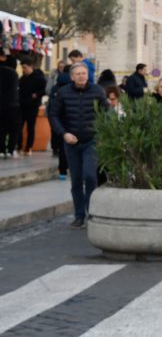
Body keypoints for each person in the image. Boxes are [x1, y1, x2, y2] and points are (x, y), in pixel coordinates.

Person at [47, 62, 108, 228]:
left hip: (92, 140)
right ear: (72, 77)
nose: (82, 76)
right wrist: (64, 133)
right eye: (78, 74)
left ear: (88, 74)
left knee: (90, 176)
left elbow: (107, 114)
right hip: (71, 142)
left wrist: (103, 134)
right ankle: (79, 215)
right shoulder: (63, 93)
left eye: (84, 73)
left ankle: (91, 213)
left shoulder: (98, 91)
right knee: (76, 180)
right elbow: (53, 115)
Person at [18, 57, 47, 155]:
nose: (24, 70)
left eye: (25, 68)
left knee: (30, 127)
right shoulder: (22, 78)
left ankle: (28, 147)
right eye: (22, 68)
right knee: (19, 126)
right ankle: (19, 146)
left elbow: (44, 90)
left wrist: (37, 94)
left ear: (31, 67)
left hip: (32, 106)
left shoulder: (39, 78)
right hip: (22, 105)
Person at [0, 52, 18, 158]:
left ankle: (1, 149)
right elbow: (13, 91)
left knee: (1, 128)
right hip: (12, 105)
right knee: (13, 128)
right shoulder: (12, 73)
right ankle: (11, 149)